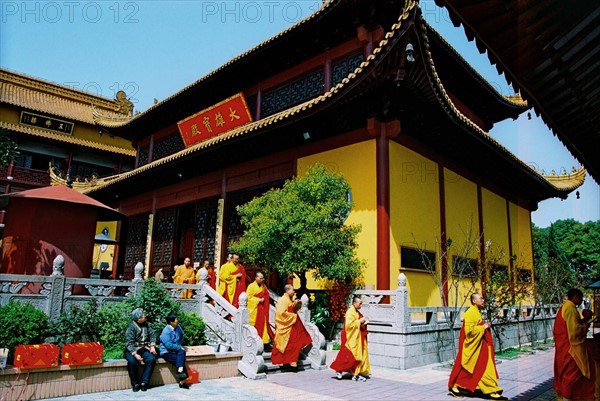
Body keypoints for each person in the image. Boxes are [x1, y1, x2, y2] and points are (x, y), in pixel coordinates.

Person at [448, 293, 507, 400]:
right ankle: (491, 391)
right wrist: (483, 327)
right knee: (483, 367)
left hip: (480, 345)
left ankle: (458, 385)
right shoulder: (470, 312)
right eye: (481, 298)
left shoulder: (476, 312)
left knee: (476, 369)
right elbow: (469, 332)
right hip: (475, 346)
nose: (483, 300)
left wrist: (485, 326)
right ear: (474, 301)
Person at [553, 288, 595, 401]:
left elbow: (571, 326)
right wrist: (586, 325)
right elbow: (575, 332)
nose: (582, 301)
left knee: (565, 375)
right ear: (576, 297)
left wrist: (584, 320)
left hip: (563, 348)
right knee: (571, 377)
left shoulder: (565, 307)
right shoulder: (570, 309)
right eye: (581, 298)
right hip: (571, 350)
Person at [271, 284, 312, 368]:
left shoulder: (289, 299)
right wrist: (293, 316)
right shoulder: (283, 300)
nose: (294, 292)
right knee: (283, 343)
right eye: (292, 290)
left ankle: (292, 360)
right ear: (287, 290)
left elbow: (290, 310)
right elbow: (280, 313)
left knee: (293, 343)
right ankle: (280, 361)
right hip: (285, 324)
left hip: (291, 324)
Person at [330, 296, 370, 381]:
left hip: (356, 338)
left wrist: (363, 321)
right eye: (360, 304)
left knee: (357, 356)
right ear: (354, 303)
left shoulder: (356, 312)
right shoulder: (350, 312)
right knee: (346, 356)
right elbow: (349, 326)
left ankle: (356, 373)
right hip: (349, 338)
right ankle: (339, 370)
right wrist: (360, 321)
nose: (361, 305)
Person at [124, 308, 157, 392]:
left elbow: (152, 334)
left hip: (143, 348)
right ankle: (135, 384)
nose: (145, 316)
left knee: (151, 359)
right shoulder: (131, 327)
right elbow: (129, 343)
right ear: (138, 318)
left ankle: (144, 382)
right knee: (132, 362)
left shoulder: (146, 325)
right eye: (143, 315)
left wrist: (152, 346)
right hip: (132, 350)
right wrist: (135, 354)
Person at [159, 313, 190, 389]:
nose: (177, 321)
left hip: (175, 350)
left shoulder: (178, 327)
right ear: (171, 322)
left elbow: (182, 334)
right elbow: (169, 345)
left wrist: (179, 344)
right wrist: (179, 347)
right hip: (166, 352)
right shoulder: (166, 331)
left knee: (182, 352)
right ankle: (182, 382)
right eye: (176, 320)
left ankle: (180, 371)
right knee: (180, 359)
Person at [246, 272, 275, 345]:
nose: (262, 280)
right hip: (255, 309)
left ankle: (264, 341)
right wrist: (258, 300)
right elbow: (248, 297)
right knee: (255, 325)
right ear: (256, 278)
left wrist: (264, 298)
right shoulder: (251, 286)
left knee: (263, 324)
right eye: (260, 278)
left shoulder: (263, 286)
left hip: (262, 309)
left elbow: (266, 295)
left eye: (262, 278)